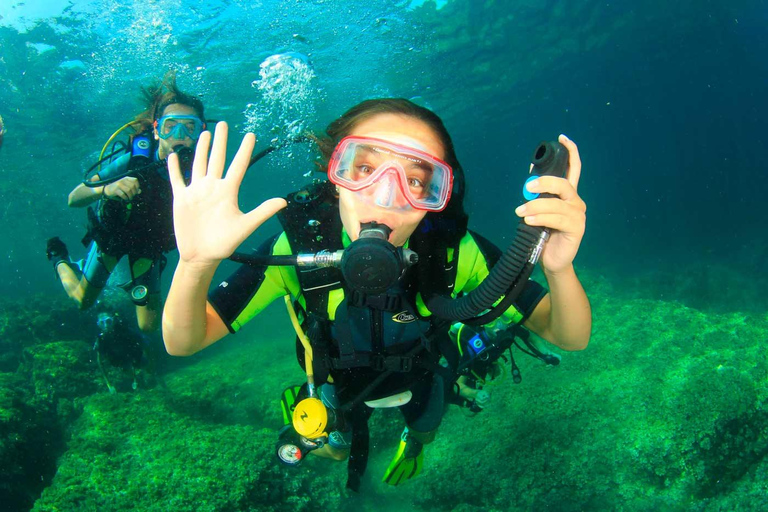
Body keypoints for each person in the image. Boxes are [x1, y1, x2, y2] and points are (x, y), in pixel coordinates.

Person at [161, 99, 591, 489]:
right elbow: (183, 341)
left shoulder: (455, 254)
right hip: (336, 381)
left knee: (425, 428)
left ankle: (414, 440)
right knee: (333, 450)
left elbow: (569, 336)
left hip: (418, 374)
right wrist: (195, 263)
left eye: (416, 181)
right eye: (365, 169)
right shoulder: (299, 248)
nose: (386, 198)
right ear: (335, 175)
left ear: (439, 197)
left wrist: (558, 267)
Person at [46, 73, 206, 332]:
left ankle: (132, 281)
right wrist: (107, 188)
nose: (179, 135)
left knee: (148, 326)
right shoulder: (134, 160)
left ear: (200, 133)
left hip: (149, 246)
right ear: (157, 130)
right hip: (113, 237)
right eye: (170, 126)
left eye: (190, 127)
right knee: (82, 301)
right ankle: (60, 259)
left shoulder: (200, 172)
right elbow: (74, 198)